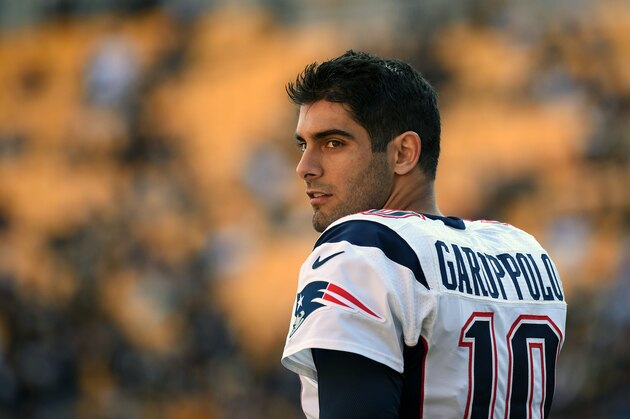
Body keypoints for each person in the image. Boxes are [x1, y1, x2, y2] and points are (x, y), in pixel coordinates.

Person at [280, 50, 567, 419]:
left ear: (403, 153)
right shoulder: (525, 252)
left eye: (333, 143)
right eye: (303, 144)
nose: (305, 167)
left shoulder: (362, 248)